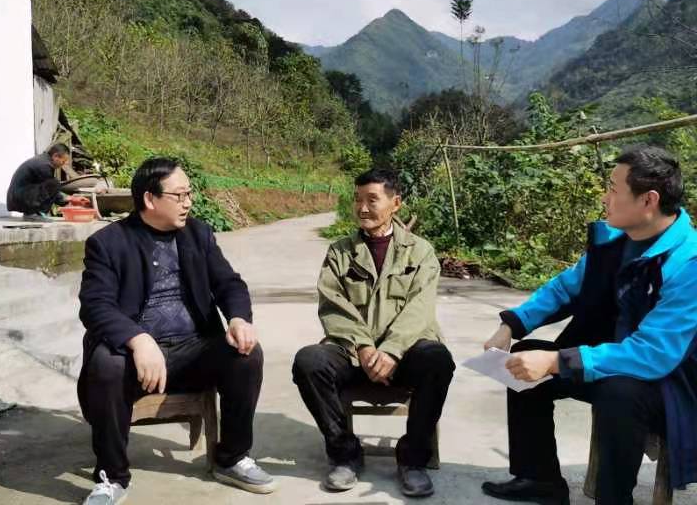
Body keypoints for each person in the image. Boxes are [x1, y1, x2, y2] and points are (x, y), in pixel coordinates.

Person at [481, 145, 697, 505]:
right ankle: (540, 479)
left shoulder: (688, 263)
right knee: (522, 360)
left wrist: (558, 361)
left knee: (619, 392)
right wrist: (512, 325)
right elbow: (564, 288)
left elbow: (653, 354)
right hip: (610, 363)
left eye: (613, 189)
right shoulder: (615, 243)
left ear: (649, 200)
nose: (604, 198)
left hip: (672, 385)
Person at [77, 157, 276, 505]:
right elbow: (95, 305)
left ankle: (231, 458)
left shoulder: (198, 234)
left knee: (246, 354)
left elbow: (228, 283)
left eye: (189, 194)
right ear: (150, 199)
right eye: (179, 195)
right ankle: (113, 476)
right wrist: (138, 340)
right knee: (107, 364)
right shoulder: (108, 243)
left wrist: (238, 319)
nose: (188, 202)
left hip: (193, 350)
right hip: (136, 358)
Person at [292, 168, 455, 498]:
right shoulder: (340, 252)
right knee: (309, 361)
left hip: (404, 354)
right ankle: (345, 454)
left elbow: (420, 308)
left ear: (396, 203)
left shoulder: (421, 252)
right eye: (357, 200)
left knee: (438, 359)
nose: (362, 208)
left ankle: (413, 459)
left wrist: (392, 350)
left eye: (372, 200)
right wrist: (364, 347)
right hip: (354, 355)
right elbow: (333, 305)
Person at [6, 143, 75, 219]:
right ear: (55, 156)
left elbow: (50, 192)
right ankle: (34, 213)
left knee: (53, 184)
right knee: (54, 184)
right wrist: (69, 199)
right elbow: (51, 189)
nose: (63, 164)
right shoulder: (44, 165)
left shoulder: (43, 160)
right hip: (19, 199)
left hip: (17, 198)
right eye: (63, 161)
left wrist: (68, 199)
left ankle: (31, 213)